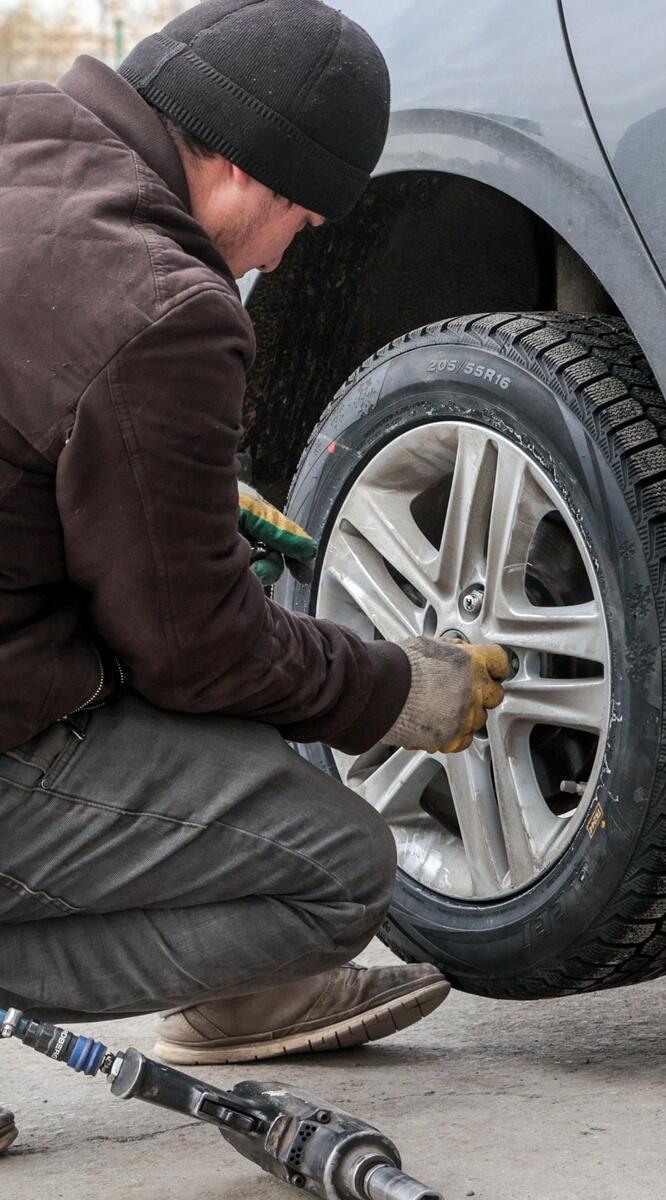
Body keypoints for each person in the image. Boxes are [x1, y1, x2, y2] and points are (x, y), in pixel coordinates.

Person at [0, 0, 511, 1154]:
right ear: (234, 163)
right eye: (300, 218)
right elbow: (199, 650)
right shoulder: (164, 311)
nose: (286, 256)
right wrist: (392, 688)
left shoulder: (19, 137)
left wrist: (141, 483)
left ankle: (237, 1001)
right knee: (337, 873)